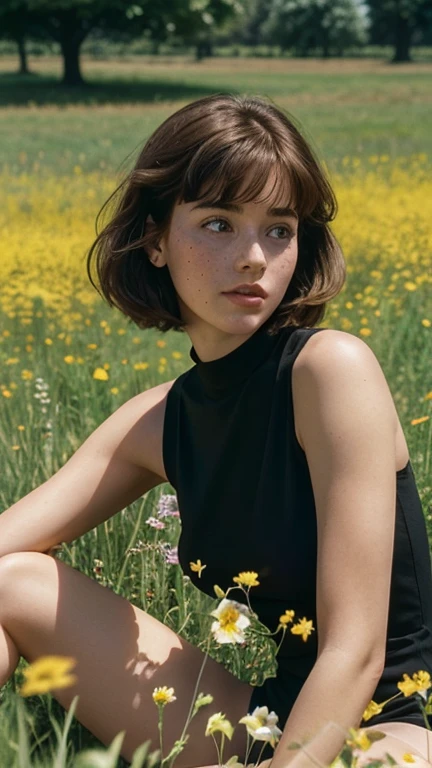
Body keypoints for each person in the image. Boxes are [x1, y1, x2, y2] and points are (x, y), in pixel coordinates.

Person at [0, 93, 431, 768]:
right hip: (262, 717)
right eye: (219, 224)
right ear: (156, 239)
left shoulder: (330, 372)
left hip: (389, 729)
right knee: (11, 581)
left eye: (279, 229)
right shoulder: (156, 419)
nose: (255, 257)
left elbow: (358, 651)